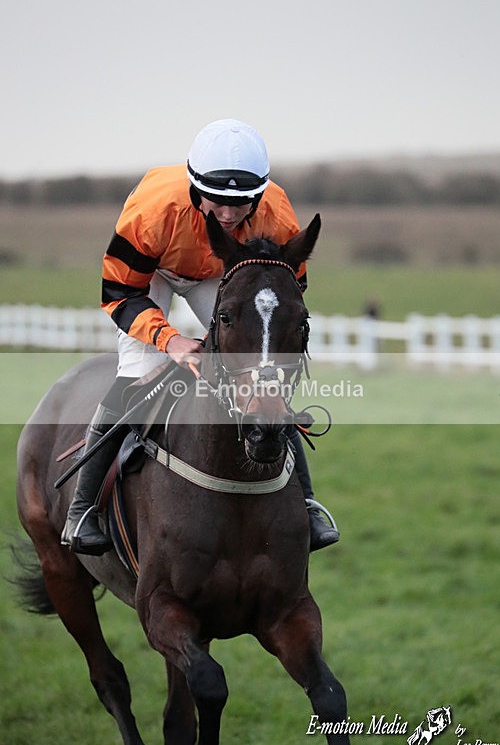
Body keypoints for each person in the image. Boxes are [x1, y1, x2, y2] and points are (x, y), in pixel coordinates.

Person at [61, 119, 339, 556]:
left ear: (259, 195)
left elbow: (286, 290)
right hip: (148, 276)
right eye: (217, 202)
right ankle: (81, 512)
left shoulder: (277, 211)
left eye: (241, 203)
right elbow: (119, 292)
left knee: (263, 379)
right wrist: (170, 340)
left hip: (226, 275)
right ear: (194, 187)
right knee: (137, 374)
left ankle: (305, 502)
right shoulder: (153, 212)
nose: (228, 215)